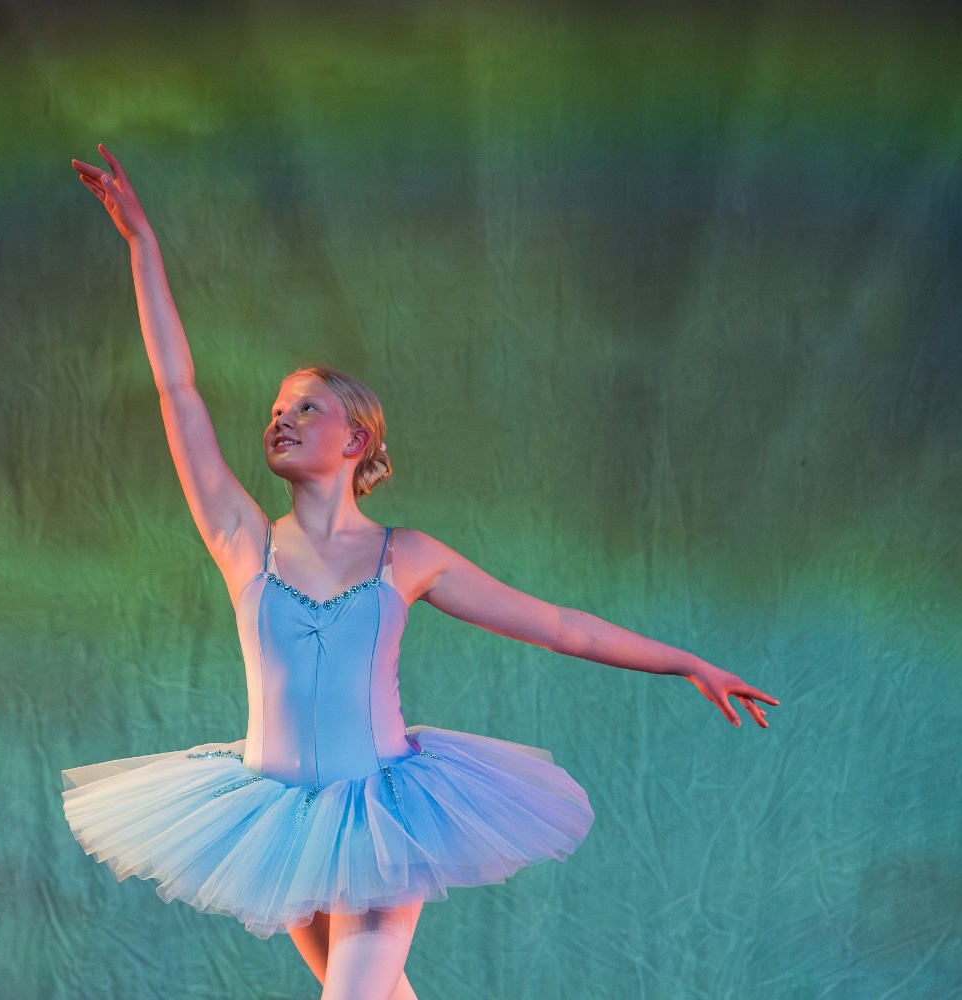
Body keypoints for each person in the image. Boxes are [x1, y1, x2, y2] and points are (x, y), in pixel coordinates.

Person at [62, 144, 779, 1000]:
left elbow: (560, 626)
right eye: (275, 411)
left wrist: (687, 661)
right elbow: (176, 388)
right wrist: (143, 244)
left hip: (383, 817)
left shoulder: (409, 556)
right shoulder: (240, 539)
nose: (281, 421)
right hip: (275, 824)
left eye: (307, 409)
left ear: (356, 439)